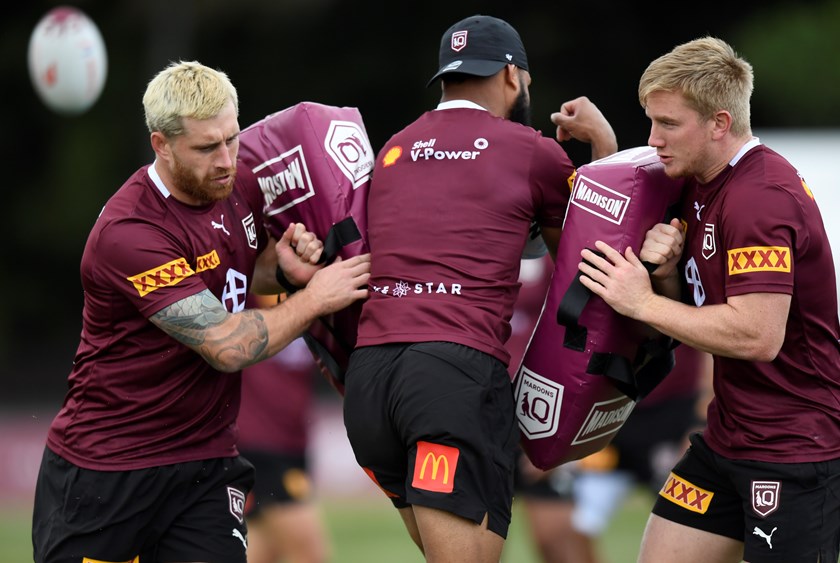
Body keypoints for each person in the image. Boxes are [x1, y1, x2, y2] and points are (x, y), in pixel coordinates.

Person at [31, 60, 370, 563]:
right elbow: (225, 344)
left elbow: (235, 272)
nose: (226, 160)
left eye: (232, 139)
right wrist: (317, 297)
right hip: (108, 470)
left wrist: (283, 270)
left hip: (205, 465)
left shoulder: (239, 185)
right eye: (207, 147)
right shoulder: (131, 232)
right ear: (161, 144)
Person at [341, 14, 617, 563]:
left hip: (369, 381)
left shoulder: (395, 148)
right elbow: (597, 257)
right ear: (512, 76)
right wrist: (603, 142)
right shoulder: (532, 150)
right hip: (451, 378)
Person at [577, 36, 840, 562]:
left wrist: (642, 302)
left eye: (668, 124)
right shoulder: (701, 181)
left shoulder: (760, 198)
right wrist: (667, 278)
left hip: (794, 448)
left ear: (720, 123)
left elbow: (757, 335)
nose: (654, 140)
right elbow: (699, 317)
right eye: (651, 122)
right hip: (726, 438)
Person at [238, 293, 332, 563]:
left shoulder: (313, 302)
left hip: (292, 442)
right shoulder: (243, 301)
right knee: (309, 553)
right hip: (257, 444)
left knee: (265, 549)